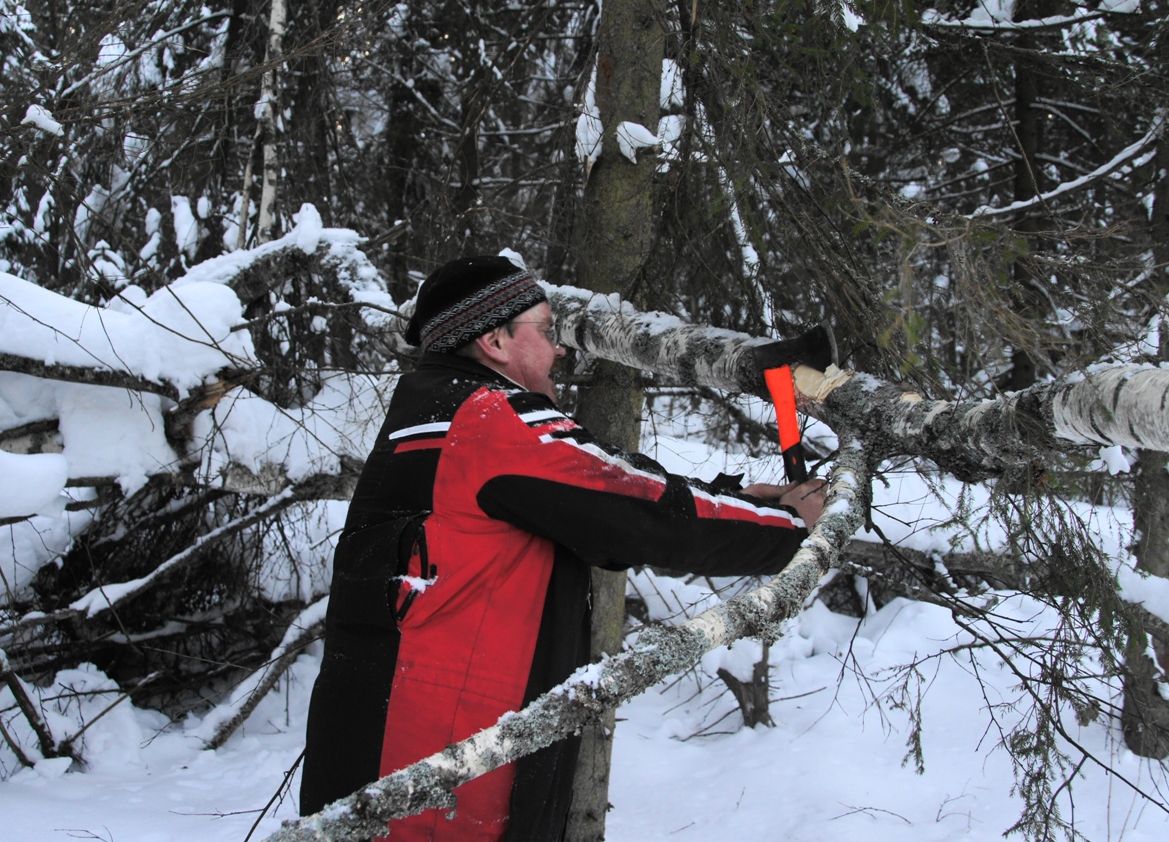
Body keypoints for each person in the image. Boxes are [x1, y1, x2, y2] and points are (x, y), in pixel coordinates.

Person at [299, 255, 827, 842]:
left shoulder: (432, 410)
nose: (558, 350)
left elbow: (609, 483)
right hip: (439, 787)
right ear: (495, 340)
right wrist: (788, 525)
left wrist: (738, 499)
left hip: (379, 767)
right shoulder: (488, 416)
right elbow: (642, 513)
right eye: (546, 331)